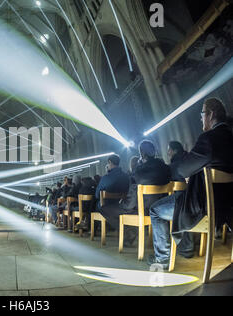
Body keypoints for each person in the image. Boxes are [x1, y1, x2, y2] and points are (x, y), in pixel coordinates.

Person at [148, 98, 233, 268]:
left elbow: (183, 169)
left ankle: (163, 259)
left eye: (202, 114)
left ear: (210, 114)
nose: (201, 118)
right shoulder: (230, 138)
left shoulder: (209, 139)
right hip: (227, 208)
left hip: (203, 206)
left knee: (155, 210)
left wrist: (192, 170)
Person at [99, 141, 171, 246]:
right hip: (160, 209)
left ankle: (129, 231)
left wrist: (124, 206)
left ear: (142, 153)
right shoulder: (165, 168)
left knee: (104, 209)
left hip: (141, 209)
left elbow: (130, 201)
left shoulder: (139, 171)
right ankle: (131, 230)